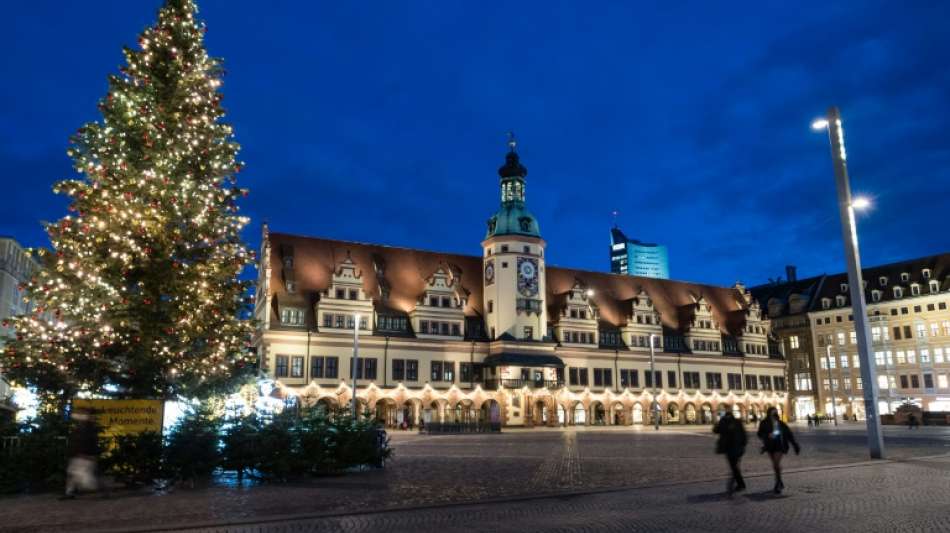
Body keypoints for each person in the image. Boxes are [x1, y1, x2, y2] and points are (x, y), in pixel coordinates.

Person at [757, 407, 800, 494]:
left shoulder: (780, 423)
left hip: (779, 445)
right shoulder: (764, 423)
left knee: (776, 463)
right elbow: (759, 433)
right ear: (769, 414)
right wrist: (767, 435)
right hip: (769, 446)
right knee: (775, 465)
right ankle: (779, 481)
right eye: (772, 413)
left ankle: (777, 484)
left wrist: (794, 444)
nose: (774, 414)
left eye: (775, 412)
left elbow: (789, 434)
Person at [62, 408, 101, 499]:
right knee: (73, 474)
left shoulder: (86, 428)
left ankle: (71, 492)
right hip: (80, 454)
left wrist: (86, 453)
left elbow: (86, 442)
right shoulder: (84, 428)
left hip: (83, 455)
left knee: (82, 477)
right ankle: (69, 493)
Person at [713, 410, 747, 494]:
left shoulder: (724, 422)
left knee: (734, 467)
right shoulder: (736, 422)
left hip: (731, 448)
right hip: (736, 448)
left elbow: (715, 430)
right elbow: (744, 434)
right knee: (735, 467)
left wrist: (717, 423)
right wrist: (743, 445)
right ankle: (738, 484)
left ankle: (738, 484)